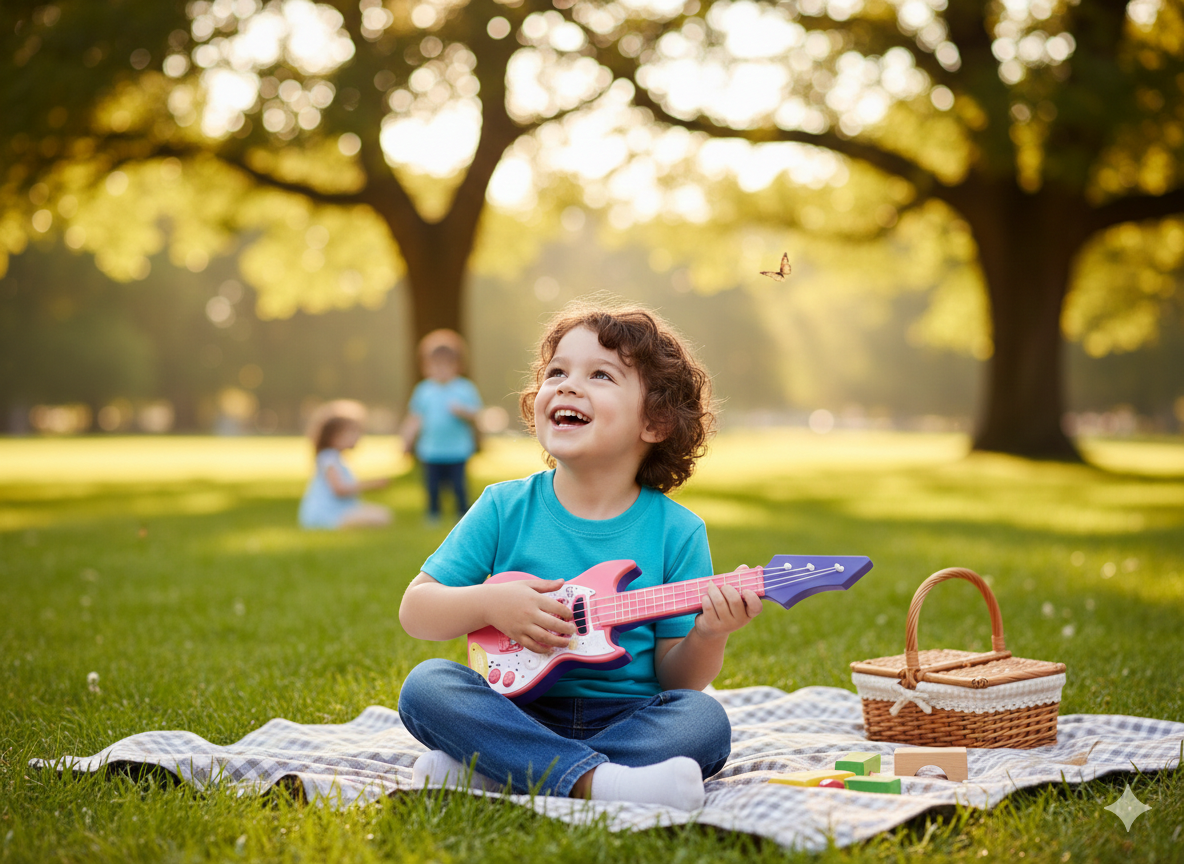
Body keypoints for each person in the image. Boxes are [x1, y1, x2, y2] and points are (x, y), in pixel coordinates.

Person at [396, 300, 762, 811]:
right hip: (514, 711)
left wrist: (710, 632)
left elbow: (677, 679)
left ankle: (500, 770)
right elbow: (416, 611)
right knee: (427, 686)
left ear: (655, 422)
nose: (567, 385)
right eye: (557, 372)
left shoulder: (678, 531)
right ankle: (601, 783)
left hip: (629, 718)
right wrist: (490, 605)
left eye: (600, 375)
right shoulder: (504, 507)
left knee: (703, 719)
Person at [401, 330, 483, 525]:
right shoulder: (424, 390)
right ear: (425, 367)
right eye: (435, 366)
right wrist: (406, 440)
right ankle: (433, 512)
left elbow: (477, 416)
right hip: (430, 449)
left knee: (458, 484)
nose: (441, 370)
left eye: (446, 366)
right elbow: (414, 418)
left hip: (457, 449)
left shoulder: (464, 388)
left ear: (458, 366)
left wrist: (464, 412)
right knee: (432, 485)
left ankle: (462, 511)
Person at [298, 413, 392, 529]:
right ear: (334, 436)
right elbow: (339, 489)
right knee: (380, 516)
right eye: (352, 433)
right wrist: (372, 484)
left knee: (382, 514)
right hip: (329, 515)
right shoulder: (329, 458)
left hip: (339, 511)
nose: (358, 437)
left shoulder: (336, 458)